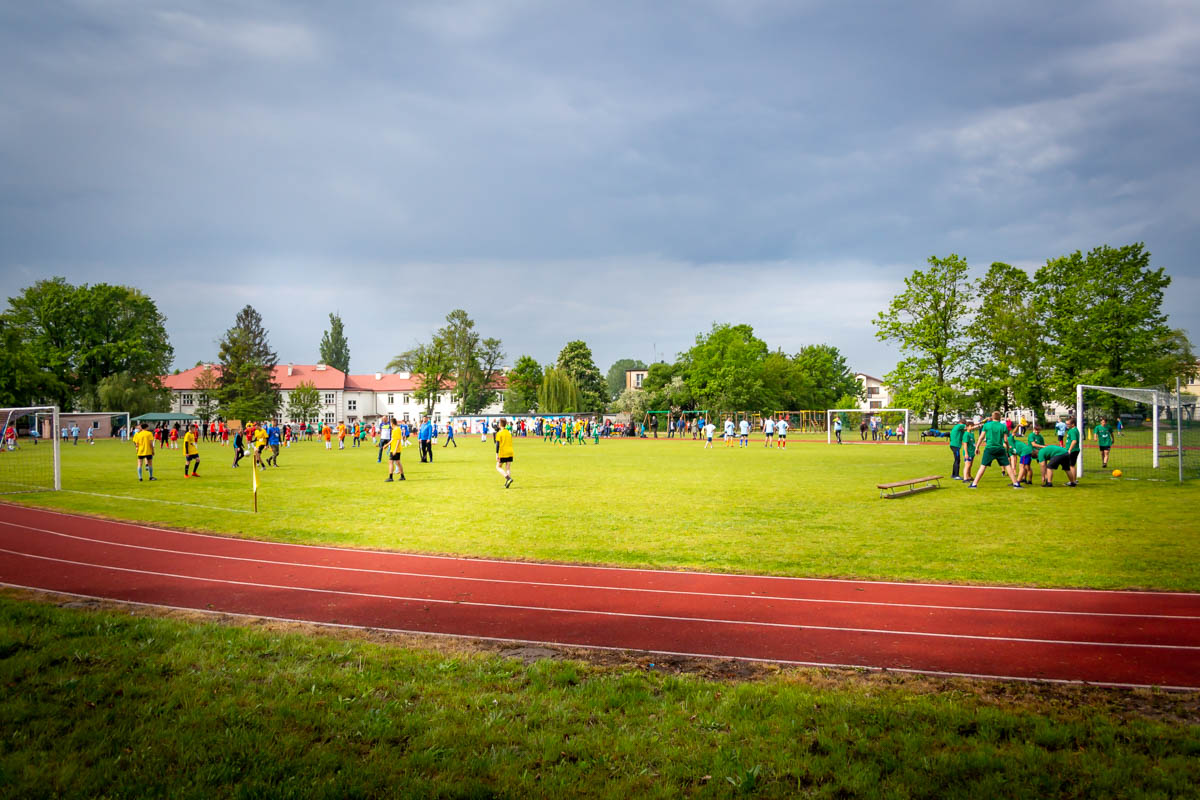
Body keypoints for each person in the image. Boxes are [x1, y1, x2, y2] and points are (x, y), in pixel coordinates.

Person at [968, 411, 1021, 489]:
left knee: (983, 466)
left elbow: (981, 437)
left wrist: (977, 447)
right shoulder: (1003, 426)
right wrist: (1007, 447)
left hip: (989, 448)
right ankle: (1015, 484)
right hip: (1000, 448)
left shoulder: (986, 425)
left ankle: (974, 484)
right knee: (1007, 466)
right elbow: (1006, 440)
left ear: (992, 417)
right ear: (1000, 418)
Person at [494, 418, 514, 488]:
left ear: (500, 424)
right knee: (508, 468)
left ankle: (508, 478)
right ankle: (507, 483)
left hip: (503, 452)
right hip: (510, 451)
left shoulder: (499, 433)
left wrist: (496, 454)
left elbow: (497, 444)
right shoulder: (508, 432)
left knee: (498, 467)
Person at [385, 417, 406, 482]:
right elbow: (393, 439)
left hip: (395, 449)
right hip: (394, 448)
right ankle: (402, 476)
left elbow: (398, 440)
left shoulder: (397, 430)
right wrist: (386, 445)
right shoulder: (394, 430)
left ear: (392, 423)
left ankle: (390, 477)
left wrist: (395, 449)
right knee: (397, 462)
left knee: (391, 462)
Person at [1063, 416, 1081, 485]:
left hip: (1073, 450)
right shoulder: (1074, 430)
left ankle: (1073, 481)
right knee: (1072, 465)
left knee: (1071, 466)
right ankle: (1074, 480)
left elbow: (1074, 441)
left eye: (1068, 424)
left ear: (1073, 424)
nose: (1067, 425)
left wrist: (1069, 449)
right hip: (1074, 450)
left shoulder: (1072, 431)